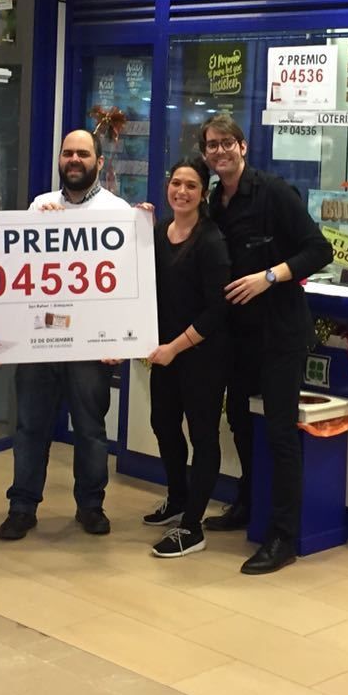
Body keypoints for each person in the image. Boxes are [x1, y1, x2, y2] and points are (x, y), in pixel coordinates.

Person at [199, 114, 333, 575]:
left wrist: (269, 276)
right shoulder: (216, 200)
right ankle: (247, 504)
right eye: (211, 146)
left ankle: (283, 536)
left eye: (226, 143)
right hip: (238, 336)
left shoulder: (274, 192)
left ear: (243, 147)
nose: (219, 152)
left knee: (279, 432)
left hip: (280, 333)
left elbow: (319, 249)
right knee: (238, 421)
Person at [0, 128, 130, 541]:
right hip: (39, 341)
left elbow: (127, 282)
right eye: (68, 153)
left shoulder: (118, 210)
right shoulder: (40, 206)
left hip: (89, 347)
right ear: (59, 159)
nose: (74, 160)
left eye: (83, 154)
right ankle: (22, 507)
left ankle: (90, 506)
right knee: (30, 427)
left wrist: (120, 341)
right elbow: (18, 270)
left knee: (90, 429)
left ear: (99, 163)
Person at [144, 157, 231, 559]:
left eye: (191, 185)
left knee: (203, 437)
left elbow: (217, 311)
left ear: (203, 192)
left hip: (201, 356)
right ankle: (177, 497)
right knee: (163, 424)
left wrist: (175, 347)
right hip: (163, 355)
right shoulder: (157, 233)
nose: (181, 191)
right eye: (176, 183)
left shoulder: (211, 239)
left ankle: (192, 526)